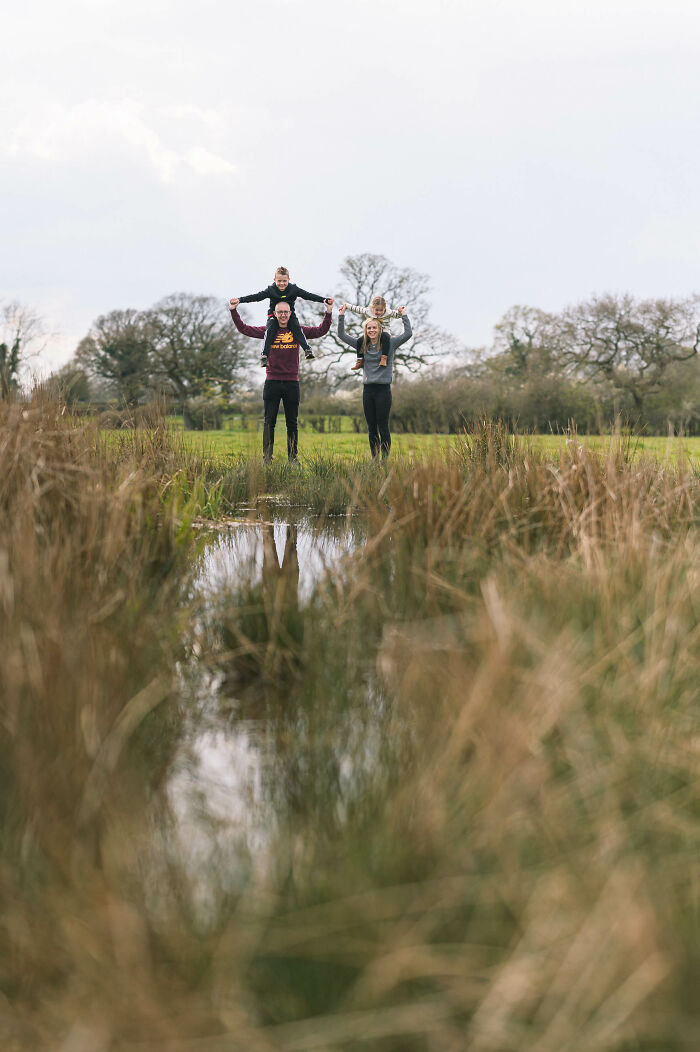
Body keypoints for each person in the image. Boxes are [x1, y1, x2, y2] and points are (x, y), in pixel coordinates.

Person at [229, 296, 333, 462]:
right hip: (272, 382)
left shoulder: (299, 330)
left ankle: (293, 458)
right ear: (274, 314)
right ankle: (267, 458)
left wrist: (328, 312)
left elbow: (321, 330)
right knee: (269, 422)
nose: (283, 315)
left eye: (286, 312)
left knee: (292, 423)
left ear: (290, 313)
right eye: (280, 312)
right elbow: (244, 329)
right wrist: (234, 311)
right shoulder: (268, 331)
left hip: (292, 383)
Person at [337, 304, 412, 459]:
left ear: (380, 330)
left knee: (383, 427)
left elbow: (408, 334)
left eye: (374, 328)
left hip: (383, 391)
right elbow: (342, 335)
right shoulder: (362, 344)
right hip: (368, 391)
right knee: (371, 428)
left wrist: (404, 315)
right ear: (366, 330)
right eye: (369, 328)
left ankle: (384, 461)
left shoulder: (390, 343)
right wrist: (341, 315)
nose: (371, 330)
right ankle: (374, 459)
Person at [235, 266, 333, 367]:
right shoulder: (270, 290)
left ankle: (307, 349)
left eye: (284, 281)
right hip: (274, 315)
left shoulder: (293, 289)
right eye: (279, 281)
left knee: (297, 328)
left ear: (288, 280)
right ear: (274, 280)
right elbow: (256, 297)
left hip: (289, 315)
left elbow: (308, 295)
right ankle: (264, 355)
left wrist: (323, 300)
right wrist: (240, 300)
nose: (282, 284)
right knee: (270, 331)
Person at [341, 295, 406, 370]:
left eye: (381, 310)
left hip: (384, 332)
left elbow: (397, 315)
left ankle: (383, 358)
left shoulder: (388, 312)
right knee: (360, 341)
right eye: (376, 310)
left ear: (385, 308)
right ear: (372, 307)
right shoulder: (368, 311)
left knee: (386, 337)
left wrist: (400, 311)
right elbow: (357, 309)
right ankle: (360, 361)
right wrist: (346, 305)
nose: (378, 312)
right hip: (372, 333)